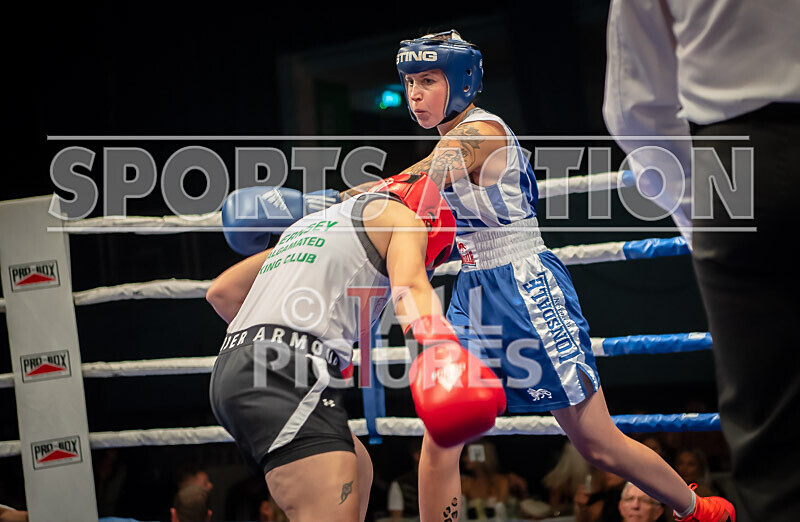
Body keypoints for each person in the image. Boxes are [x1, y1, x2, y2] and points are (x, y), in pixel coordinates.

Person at [375, 29, 734, 522]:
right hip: (472, 291)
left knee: (596, 442)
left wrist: (345, 207)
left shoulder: (481, 133)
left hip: (524, 286)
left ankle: (699, 510)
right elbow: (417, 202)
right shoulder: (446, 140)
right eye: (410, 81)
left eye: (429, 80)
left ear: (459, 82)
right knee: (442, 432)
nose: (414, 93)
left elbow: (422, 181)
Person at [207, 173, 505, 521]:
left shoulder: (308, 227)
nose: (423, 260)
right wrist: (441, 348)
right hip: (285, 370)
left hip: (235, 368)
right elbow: (409, 288)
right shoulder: (403, 219)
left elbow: (222, 293)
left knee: (359, 468)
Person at [603, 2, 800, 520]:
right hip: (741, 160)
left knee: (772, 431)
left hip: (744, 158)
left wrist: (706, 223)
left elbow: (634, 107)